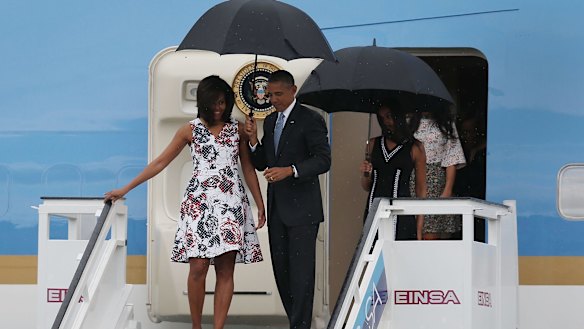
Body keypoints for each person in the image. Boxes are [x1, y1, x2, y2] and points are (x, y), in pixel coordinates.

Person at [104, 75, 265, 329]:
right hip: (199, 204)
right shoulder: (189, 130)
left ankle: (218, 327)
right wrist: (126, 188)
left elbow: (247, 168)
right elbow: (160, 162)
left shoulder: (237, 130)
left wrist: (260, 204)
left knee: (225, 270)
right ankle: (196, 325)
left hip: (231, 203)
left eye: (223, 102)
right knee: (198, 267)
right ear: (202, 102)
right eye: (213, 103)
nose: (218, 108)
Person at [244, 70, 331, 329]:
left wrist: (291, 170)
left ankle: (300, 325)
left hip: (303, 211)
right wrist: (252, 140)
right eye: (270, 95)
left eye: (279, 94)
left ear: (293, 90)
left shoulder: (310, 119)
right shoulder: (270, 122)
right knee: (282, 273)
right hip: (278, 209)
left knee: (301, 276)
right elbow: (262, 163)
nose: (273, 99)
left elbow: (323, 160)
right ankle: (296, 322)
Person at [360, 100, 427, 240]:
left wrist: (419, 226)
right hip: (375, 209)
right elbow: (367, 186)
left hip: (402, 212)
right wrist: (366, 173)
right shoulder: (373, 144)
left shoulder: (415, 147)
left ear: (398, 116)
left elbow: (421, 189)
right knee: (374, 255)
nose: (385, 121)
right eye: (381, 118)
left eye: (389, 116)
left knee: (400, 256)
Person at [408, 106, 466, 240]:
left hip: (435, 181)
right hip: (411, 177)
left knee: (430, 235)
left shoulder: (446, 123)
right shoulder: (409, 121)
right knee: (410, 229)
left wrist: (447, 190)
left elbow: (452, 157)